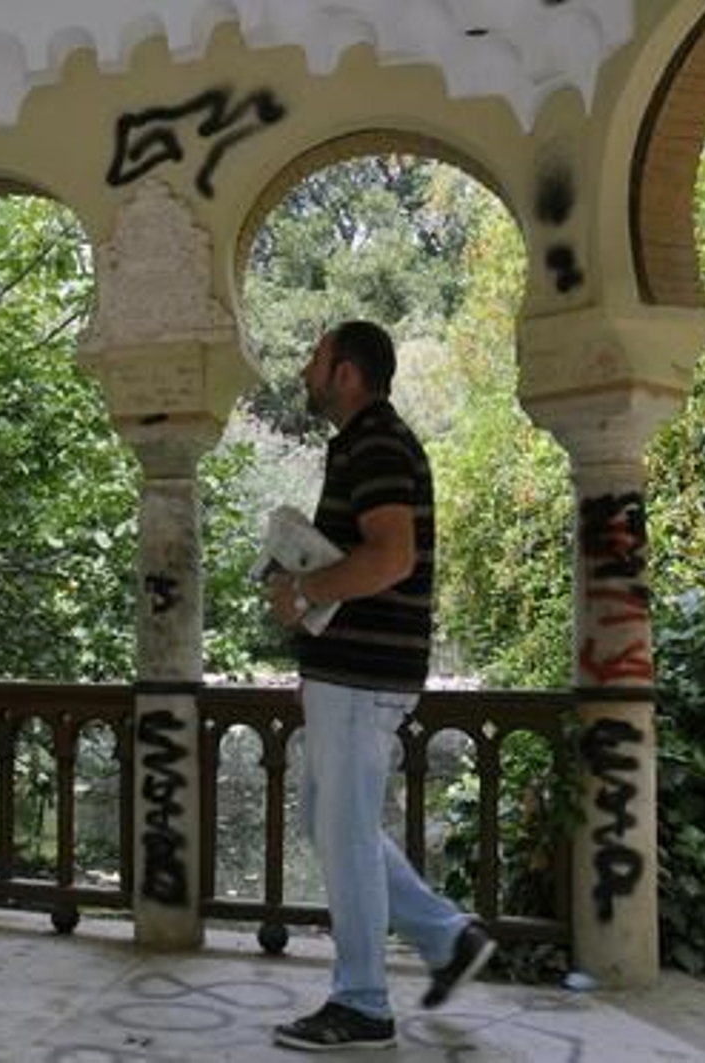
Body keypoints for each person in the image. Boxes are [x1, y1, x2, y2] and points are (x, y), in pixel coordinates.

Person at [266, 320, 495, 1052]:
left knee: (342, 830)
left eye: (315, 358)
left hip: (363, 678)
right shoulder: (366, 444)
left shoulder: (377, 443)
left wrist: (303, 593)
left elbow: (392, 556)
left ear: (347, 373)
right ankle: (448, 937)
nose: (305, 369)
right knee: (329, 826)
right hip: (350, 673)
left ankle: (362, 1002)